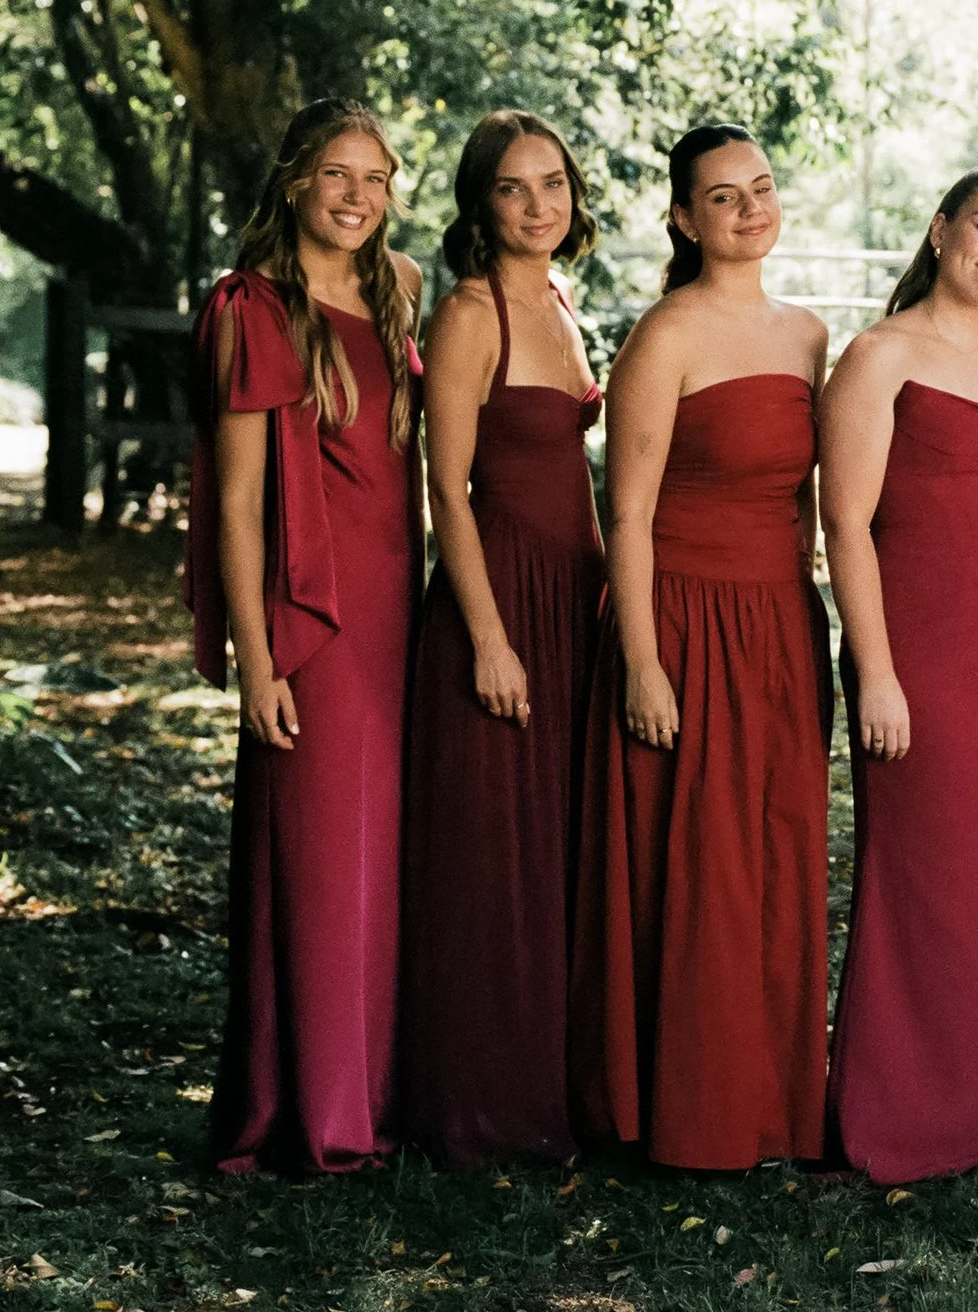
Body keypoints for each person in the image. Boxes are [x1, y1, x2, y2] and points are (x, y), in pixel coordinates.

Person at [566, 125, 833, 1170]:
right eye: (722, 198)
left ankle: (767, 1101)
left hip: (778, 621)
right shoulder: (663, 336)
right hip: (678, 616)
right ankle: (681, 1106)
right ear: (683, 219)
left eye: (760, 188)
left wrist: (812, 625)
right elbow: (623, 515)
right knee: (692, 868)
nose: (748, 209)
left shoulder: (810, 334)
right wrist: (640, 662)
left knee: (775, 862)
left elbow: (812, 506)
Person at [187, 97, 422, 1175]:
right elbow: (237, 502)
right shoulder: (254, 306)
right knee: (321, 857)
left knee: (382, 857)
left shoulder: (401, 292)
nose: (357, 198)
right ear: (293, 181)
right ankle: (316, 1114)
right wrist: (255, 655)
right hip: (310, 614)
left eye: (375, 179)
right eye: (337, 174)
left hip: (398, 611)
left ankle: (369, 1091)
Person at [820, 165, 978, 1182]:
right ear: (941, 228)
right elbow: (844, 525)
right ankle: (900, 1110)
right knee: (921, 875)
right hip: (916, 645)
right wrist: (875, 671)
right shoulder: (877, 356)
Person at [397, 110, 603, 1169]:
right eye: (515, 188)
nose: (539, 205)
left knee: (558, 852)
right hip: (499, 605)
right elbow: (447, 485)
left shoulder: (564, 301)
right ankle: (475, 1105)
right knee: (494, 865)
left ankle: (548, 1086)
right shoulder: (473, 313)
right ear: (482, 204)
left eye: (554, 183)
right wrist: (487, 636)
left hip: (573, 601)